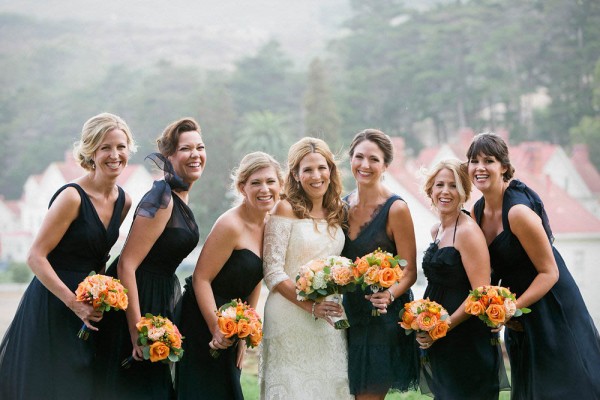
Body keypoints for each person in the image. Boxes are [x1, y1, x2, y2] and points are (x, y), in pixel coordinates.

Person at [0, 113, 135, 400]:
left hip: (87, 307)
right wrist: (74, 303)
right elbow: (36, 256)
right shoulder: (72, 197)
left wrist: (100, 296)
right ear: (91, 152)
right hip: (52, 304)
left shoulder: (124, 201)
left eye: (121, 147)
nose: (115, 155)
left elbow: (98, 255)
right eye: (105, 147)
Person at [467, 132, 600, 399]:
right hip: (518, 311)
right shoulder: (477, 213)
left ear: (503, 167)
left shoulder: (518, 212)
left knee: (563, 386)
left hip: (553, 305)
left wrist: (511, 309)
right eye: (473, 161)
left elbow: (550, 272)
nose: (479, 167)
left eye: (488, 161)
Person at [95, 117, 205, 399]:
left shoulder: (180, 195)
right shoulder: (162, 198)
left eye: (200, 147)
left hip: (160, 297)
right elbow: (126, 264)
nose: (195, 155)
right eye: (185, 149)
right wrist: (136, 329)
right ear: (169, 156)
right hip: (139, 300)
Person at [176, 152, 283, 399]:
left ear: (280, 185)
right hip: (202, 321)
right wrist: (215, 328)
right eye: (256, 183)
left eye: (270, 181)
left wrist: (245, 334)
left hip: (233, 325)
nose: (264, 189)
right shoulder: (230, 225)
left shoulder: (271, 224)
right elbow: (201, 279)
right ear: (242, 187)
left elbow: (256, 278)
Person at [259, 137, 352, 400]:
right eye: (307, 170)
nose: (316, 175)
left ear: (331, 171)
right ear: (296, 176)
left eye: (322, 168)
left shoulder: (339, 211)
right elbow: (273, 271)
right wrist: (310, 305)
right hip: (289, 315)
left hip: (329, 317)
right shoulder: (285, 208)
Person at [416, 159, 509, 399]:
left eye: (453, 185)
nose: (445, 191)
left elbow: (481, 293)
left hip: (466, 339)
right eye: (439, 185)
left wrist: (442, 326)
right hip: (442, 340)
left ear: (464, 192)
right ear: (430, 190)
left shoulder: (468, 232)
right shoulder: (437, 230)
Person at [341, 128, 418, 399]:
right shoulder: (340, 206)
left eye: (374, 159)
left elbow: (409, 270)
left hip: (381, 320)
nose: (365, 165)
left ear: (385, 165)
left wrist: (389, 294)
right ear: (350, 159)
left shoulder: (396, 209)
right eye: (359, 157)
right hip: (349, 315)